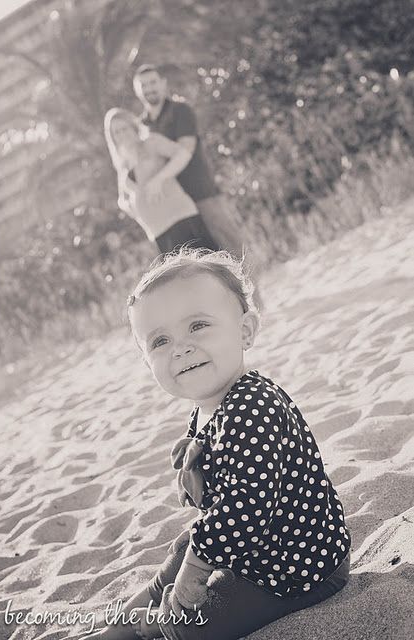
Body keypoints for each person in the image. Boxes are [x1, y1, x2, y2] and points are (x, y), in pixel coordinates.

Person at [85, 248, 351, 640]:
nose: (181, 347)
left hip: (301, 566)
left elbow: (246, 507)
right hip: (256, 550)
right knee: (182, 549)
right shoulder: (210, 406)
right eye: (160, 341)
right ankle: (123, 626)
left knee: (194, 622)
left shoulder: (253, 407)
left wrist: (196, 571)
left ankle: (155, 629)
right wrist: (189, 560)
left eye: (198, 326)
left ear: (245, 331)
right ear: (147, 362)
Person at [133, 64, 243, 258]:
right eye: (144, 85)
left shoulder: (180, 110)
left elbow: (187, 149)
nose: (149, 88)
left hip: (200, 192)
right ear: (137, 91)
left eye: (153, 82)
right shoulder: (142, 126)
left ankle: (252, 290)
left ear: (163, 83)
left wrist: (158, 179)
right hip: (174, 205)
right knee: (205, 259)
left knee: (231, 247)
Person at [104, 107, 219, 253]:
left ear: (133, 126)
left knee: (210, 266)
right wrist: (132, 207)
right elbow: (121, 199)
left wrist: (159, 179)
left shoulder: (152, 142)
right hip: (157, 231)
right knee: (184, 275)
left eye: (124, 128)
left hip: (180, 216)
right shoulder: (123, 164)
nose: (122, 135)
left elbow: (182, 154)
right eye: (116, 132)